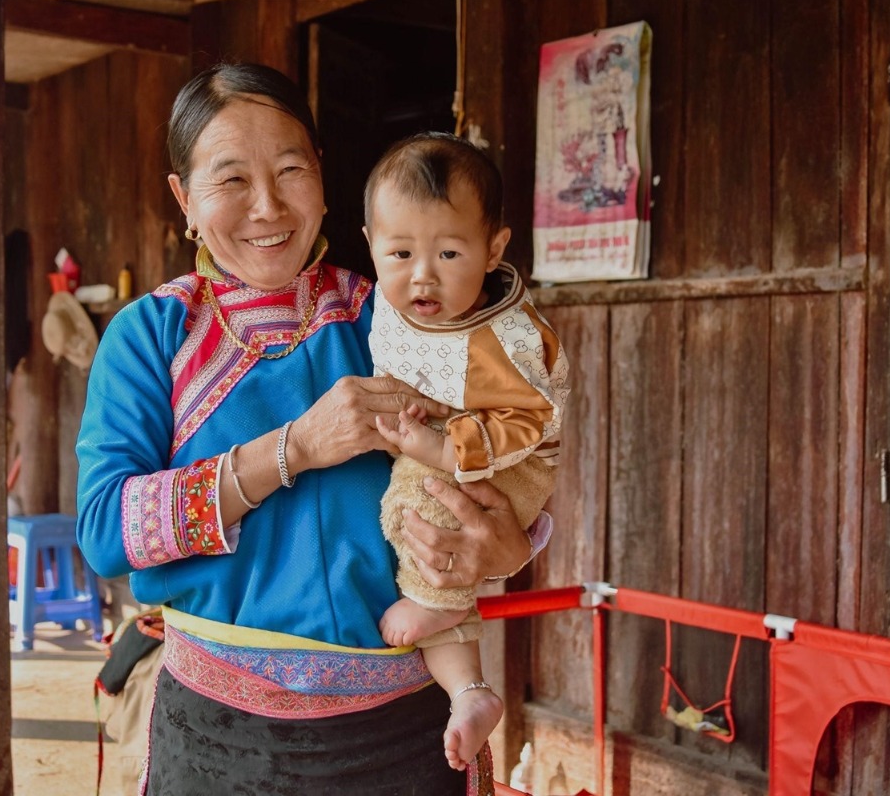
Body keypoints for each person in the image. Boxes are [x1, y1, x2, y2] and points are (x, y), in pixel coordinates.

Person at [75, 62, 553, 796]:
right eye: (231, 179)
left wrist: (509, 543)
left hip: (403, 736)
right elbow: (109, 532)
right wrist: (293, 449)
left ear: (323, 179)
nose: (267, 206)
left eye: (290, 170)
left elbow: (511, 466)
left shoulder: (399, 320)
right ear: (184, 199)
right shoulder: (154, 336)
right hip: (216, 738)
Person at [363, 132, 569, 771]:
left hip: (512, 459)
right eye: (399, 252)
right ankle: (468, 691)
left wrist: (439, 442)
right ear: (369, 242)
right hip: (446, 443)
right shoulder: (388, 301)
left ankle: (441, 628)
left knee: (431, 520)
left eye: (450, 252)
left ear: (494, 249)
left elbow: (530, 418)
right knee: (420, 526)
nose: (422, 274)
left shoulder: (506, 338)